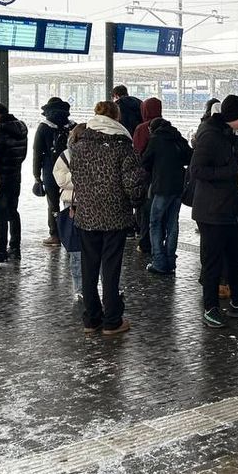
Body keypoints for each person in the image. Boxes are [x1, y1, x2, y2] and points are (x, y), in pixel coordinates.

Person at [69, 101, 145, 335]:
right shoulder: (122, 146)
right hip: (115, 217)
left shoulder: (79, 145)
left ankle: (91, 319)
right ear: (116, 119)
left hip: (87, 216)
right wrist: (135, 202)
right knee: (111, 269)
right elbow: (133, 185)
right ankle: (112, 320)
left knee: (89, 267)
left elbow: (76, 178)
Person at [190, 95, 238, 328]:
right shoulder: (210, 136)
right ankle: (210, 308)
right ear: (236, 117)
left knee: (236, 258)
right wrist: (232, 170)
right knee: (212, 262)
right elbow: (197, 170)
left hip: (233, 209)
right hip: (211, 211)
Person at [142, 117, 192, 275]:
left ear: (153, 129)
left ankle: (159, 262)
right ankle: (171, 262)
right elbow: (190, 156)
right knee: (172, 223)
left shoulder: (156, 140)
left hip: (162, 186)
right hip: (178, 187)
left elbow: (145, 162)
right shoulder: (178, 138)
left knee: (155, 223)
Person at [0, 103, 28, 262]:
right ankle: (15, 248)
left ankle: (0, 250)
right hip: (15, 176)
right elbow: (22, 155)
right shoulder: (21, 130)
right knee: (13, 212)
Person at [33, 97, 74, 246]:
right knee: (71, 201)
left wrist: (36, 176)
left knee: (53, 203)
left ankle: (55, 234)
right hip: (70, 167)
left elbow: (37, 152)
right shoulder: (72, 126)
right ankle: (71, 232)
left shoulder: (44, 127)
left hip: (51, 169)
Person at [132, 97, 164, 254]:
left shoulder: (142, 128)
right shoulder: (166, 125)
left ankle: (145, 242)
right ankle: (159, 242)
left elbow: (137, 153)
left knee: (145, 211)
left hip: (146, 175)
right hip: (163, 175)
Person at [52, 144, 82, 299]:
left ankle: (82, 288)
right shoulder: (66, 155)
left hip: (85, 203)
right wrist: (80, 175)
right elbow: (60, 179)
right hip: (72, 203)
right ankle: (80, 287)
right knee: (76, 248)